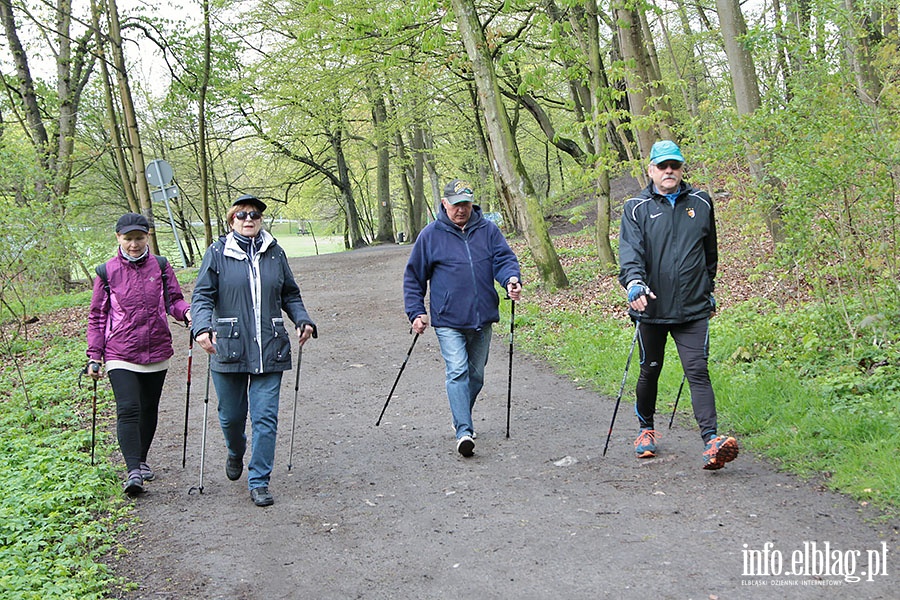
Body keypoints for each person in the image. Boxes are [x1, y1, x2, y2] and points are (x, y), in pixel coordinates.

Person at [618, 140, 739, 470]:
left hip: (692, 308)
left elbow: (710, 254)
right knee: (650, 370)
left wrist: (707, 288)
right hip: (650, 308)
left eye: (675, 165)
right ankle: (645, 431)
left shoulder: (701, 202)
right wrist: (634, 283)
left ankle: (711, 441)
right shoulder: (636, 208)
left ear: (682, 168)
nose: (669, 171)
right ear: (651, 170)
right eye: (662, 166)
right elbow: (630, 255)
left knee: (698, 370)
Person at [191, 194, 316, 507]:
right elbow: (202, 297)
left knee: (266, 418)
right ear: (232, 220)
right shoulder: (217, 253)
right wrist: (202, 327)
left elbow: (290, 294)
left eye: (255, 215)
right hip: (228, 347)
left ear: (261, 220)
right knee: (231, 417)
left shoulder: (274, 252)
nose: (249, 219)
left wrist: (302, 319)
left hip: (270, 347)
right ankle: (235, 451)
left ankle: (259, 480)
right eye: (242, 215)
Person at [403, 179, 522, 457]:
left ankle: (461, 415)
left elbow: (504, 260)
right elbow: (413, 278)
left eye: (466, 204)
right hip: (448, 320)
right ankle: (464, 431)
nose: (461, 210)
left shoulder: (488, 231)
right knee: (457, 371)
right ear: (445, 204)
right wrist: (416, 312)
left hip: (482, 318)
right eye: (456, 205)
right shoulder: (430, 236)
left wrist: (511, 279)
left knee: (476, 375)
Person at [87, 212, 192, 495]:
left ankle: (142, 459)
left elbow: (175, 301)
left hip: (157, 349)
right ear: (118, 238)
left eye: (139, 237)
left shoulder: (160, 265)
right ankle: (133, 470)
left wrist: (190, 313)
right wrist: (94, 355)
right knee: (129, 408)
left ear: (148, 237)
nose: (134, 244)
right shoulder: (106, 272)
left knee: (148, 408)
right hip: (120, 350)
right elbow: (97, 316)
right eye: (128, 238)